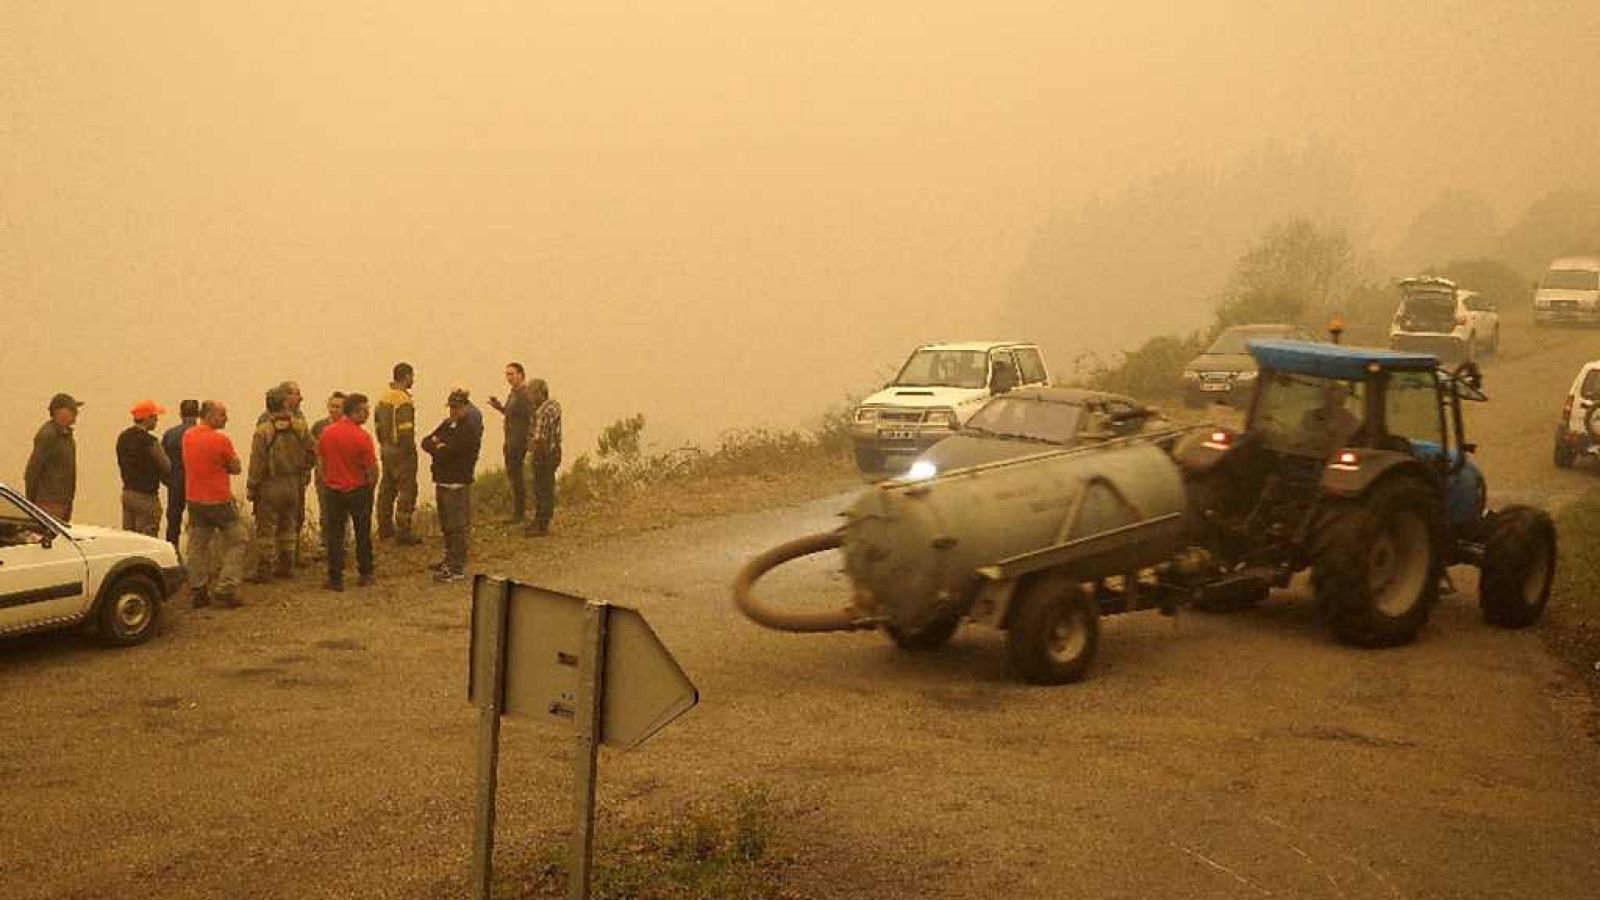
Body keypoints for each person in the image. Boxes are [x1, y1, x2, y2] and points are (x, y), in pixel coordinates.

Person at [183, 401, 248, 608]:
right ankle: (226, 587)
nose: (226, 418)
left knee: (197, 545)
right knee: (238, 539)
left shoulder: (188, 436)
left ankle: (198, 588)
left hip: (194, 498)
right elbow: (236, 467)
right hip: (219, 499)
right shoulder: (221, 440)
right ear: (209, 415)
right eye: (222, 415)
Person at [246, 393, 316, 582]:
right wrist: (304, 469)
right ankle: (287, 565)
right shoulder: (300, 427)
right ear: (285, 404)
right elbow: (313, 451)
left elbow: (257, 462)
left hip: (270, 483)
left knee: (266, 529)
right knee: (288, 525)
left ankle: (265, 569)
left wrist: (251, 487)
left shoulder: (263, 431)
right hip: (293, 483)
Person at [422, 388, 484, 582]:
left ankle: (457, 568)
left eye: (456, 407)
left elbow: (452, 452)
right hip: (442, 480)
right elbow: (425, 442)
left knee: (457, 526)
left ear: (465, 406)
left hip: (458, 482)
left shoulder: (469, 428)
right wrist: (438, 446)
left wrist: (439, 446)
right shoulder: (448, 424)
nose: (453, 411)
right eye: (451, 407)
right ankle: (449, 560)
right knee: (447, 525)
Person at [320, 393, 379, 591]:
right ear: (354, 412)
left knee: (335, 535)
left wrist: (328, 481)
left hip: (334, 489)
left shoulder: (327, 432)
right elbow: (371, 468)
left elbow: (322, 462)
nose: (368, 413)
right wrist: (370, 486)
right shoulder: (363, 437)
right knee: (362, 533)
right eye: (365, 410)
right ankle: (366, 572)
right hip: (358, 489)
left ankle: (335, 577)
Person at [375, 363, 420, 544]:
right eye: (412, 376)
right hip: (402, 449)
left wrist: (384, 444)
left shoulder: (383, 398)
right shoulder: (403, 400)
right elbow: (406, 428)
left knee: (387, 488)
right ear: (407, 376)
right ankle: (404, 531)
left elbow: (378, 425)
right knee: (407, 489)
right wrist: (409, 451)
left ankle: (384, 528)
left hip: (386, 448)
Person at [487, 362, 536, 523]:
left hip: (518, 442)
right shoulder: (514, 393)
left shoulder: (525, 395)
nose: (508, 377)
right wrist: (499, 407)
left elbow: (531, 418)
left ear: (521, 375)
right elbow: (511, 414)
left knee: (517, 477)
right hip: (510, 440)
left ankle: (520, 513)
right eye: (507, 374)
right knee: (513, 476)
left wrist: (530, 441)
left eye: (512, 374)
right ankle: (518, 512)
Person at [24, 393, 83, 522]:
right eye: (72, 410)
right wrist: (31, 501)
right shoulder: (48, 435)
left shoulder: (65, 435)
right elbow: (33, 469)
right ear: (59, 412)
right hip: (48, 503)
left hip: (62, 501)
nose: (76, 414)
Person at [116, 400, 171, 536]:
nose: (156, 420)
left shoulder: (123, 437)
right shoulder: (150, 441)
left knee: (130, 538)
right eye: (154, 417)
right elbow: (166, 466)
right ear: (146, 418)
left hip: (128, 493)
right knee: (147, 539)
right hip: (146, 497)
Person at [524, 378, 562, 537]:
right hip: (554, 450)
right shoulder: (554, 405)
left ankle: (540, 524)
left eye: (532, 394)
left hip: (543, 453)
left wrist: (532, 453)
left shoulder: (542, 411)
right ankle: (543, 521)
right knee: (547, 487)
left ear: (540, 393)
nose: (530, 397)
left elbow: (539, 437)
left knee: (541, 488)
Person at [161, 399, 201, 548]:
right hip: (198, 485)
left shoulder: (170, 434)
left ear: (180, 414)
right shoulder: (203, 434)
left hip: (176, 482)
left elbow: (161, 460)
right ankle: (195, 557)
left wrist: (168, 480)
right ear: (198, 414)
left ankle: (172, 554)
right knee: (199, 525)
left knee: (173, 522)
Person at [311, 391, 347, 544]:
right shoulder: (319, 427)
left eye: (338, 407)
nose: (334, 410)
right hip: (324, 476)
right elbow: (311, 450)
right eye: (332, 406)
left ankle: (343, 543)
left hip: (345, 477)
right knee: (325, 512)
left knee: (343, 513)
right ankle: (325, 543)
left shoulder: (350, 427)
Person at [1301, 381, 1363, 452]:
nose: (1332, 398)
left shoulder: (1351, 422)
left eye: (1340, 393)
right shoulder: (1309, 416)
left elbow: (1352, 447)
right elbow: (1299, 440)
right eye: (1330, 393)